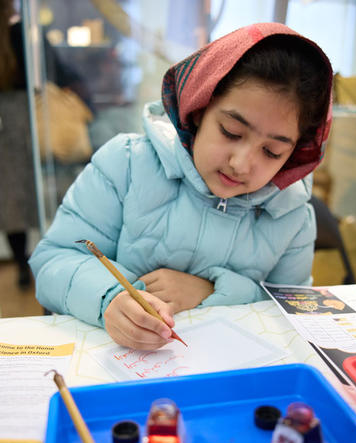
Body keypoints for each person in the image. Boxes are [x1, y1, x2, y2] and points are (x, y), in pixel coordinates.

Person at [30, 22, 332, 350]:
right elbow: (54, 260)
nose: (241, 164)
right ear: (199, 109)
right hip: (114, 366)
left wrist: (213, 290)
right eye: (231, 131)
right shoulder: (126, 164)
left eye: (272, 152)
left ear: (294, 154)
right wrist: (109, 300)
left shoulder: (291, 212)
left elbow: (293, 307)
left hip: (223, 375)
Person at [0, 0, 38, 288]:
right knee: (31, 189)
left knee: (10, 196)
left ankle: (23, 264)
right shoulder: (21, 32)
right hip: (23, 115)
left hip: (10, 119)